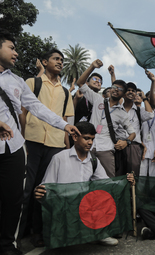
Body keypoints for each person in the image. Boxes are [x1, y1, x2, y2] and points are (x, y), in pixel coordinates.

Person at [0, 28, 79, 255]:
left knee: (16, 197)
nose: (16, 53)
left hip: (14, 148)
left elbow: (36, 108)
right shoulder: (33, 81)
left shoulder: (17, 81)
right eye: (11, 48)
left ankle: (9, 245)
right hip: (30, 142)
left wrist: (65, 126)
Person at [19, 48, 76, 245]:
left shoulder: (66, 92)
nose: (60, 62)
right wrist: (22, 140)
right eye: (56, 59)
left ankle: (38, 232)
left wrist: (67, 150)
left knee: (44, 190)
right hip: (31, 142)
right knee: (25, 189)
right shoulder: (32, 83)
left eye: (62, 60)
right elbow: (22, 112)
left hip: (55, 145)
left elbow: (65, 122)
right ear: (45, 62)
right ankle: (17, 232)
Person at [34, 122, 119, 246]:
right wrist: (39, 192)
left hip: (83, 206)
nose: (90, 143)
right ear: (75, 137)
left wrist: (125, 181)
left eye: (92, 139)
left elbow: (106, 184)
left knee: (104, 196)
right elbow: (47, 187)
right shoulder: (59, 158)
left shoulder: (94, 160)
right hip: (63, 207)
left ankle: (100, 233)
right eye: (86, 138)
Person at [77, 59, 136, 177]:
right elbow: (80, 83)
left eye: (120, 89)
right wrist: (92, 66)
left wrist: (126, 142)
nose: (115, 89)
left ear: (123, 94)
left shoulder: (122, 113)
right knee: (83, 176)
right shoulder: (98, 99)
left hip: (106, 148)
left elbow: (132, 133)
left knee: (108, 178)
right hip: (89, 144)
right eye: (114, 86)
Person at [115, 81, 154, 176]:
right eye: (128, 90)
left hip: (133, 146)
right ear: (123, 94)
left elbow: (150, 114)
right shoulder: (116, 109)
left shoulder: (139, 110)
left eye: (133, 91)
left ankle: (132, 191)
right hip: (118, 145)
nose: (131, 92)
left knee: (132, 176)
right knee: (118, 175)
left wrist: (144, 97)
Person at [140, 91, 155, 177]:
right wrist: (142, 145)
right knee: (141, 177)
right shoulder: (141, 112)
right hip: (143, 150)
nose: (153, 98)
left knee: (154, 177)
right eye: (149, 97)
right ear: (146, 99)